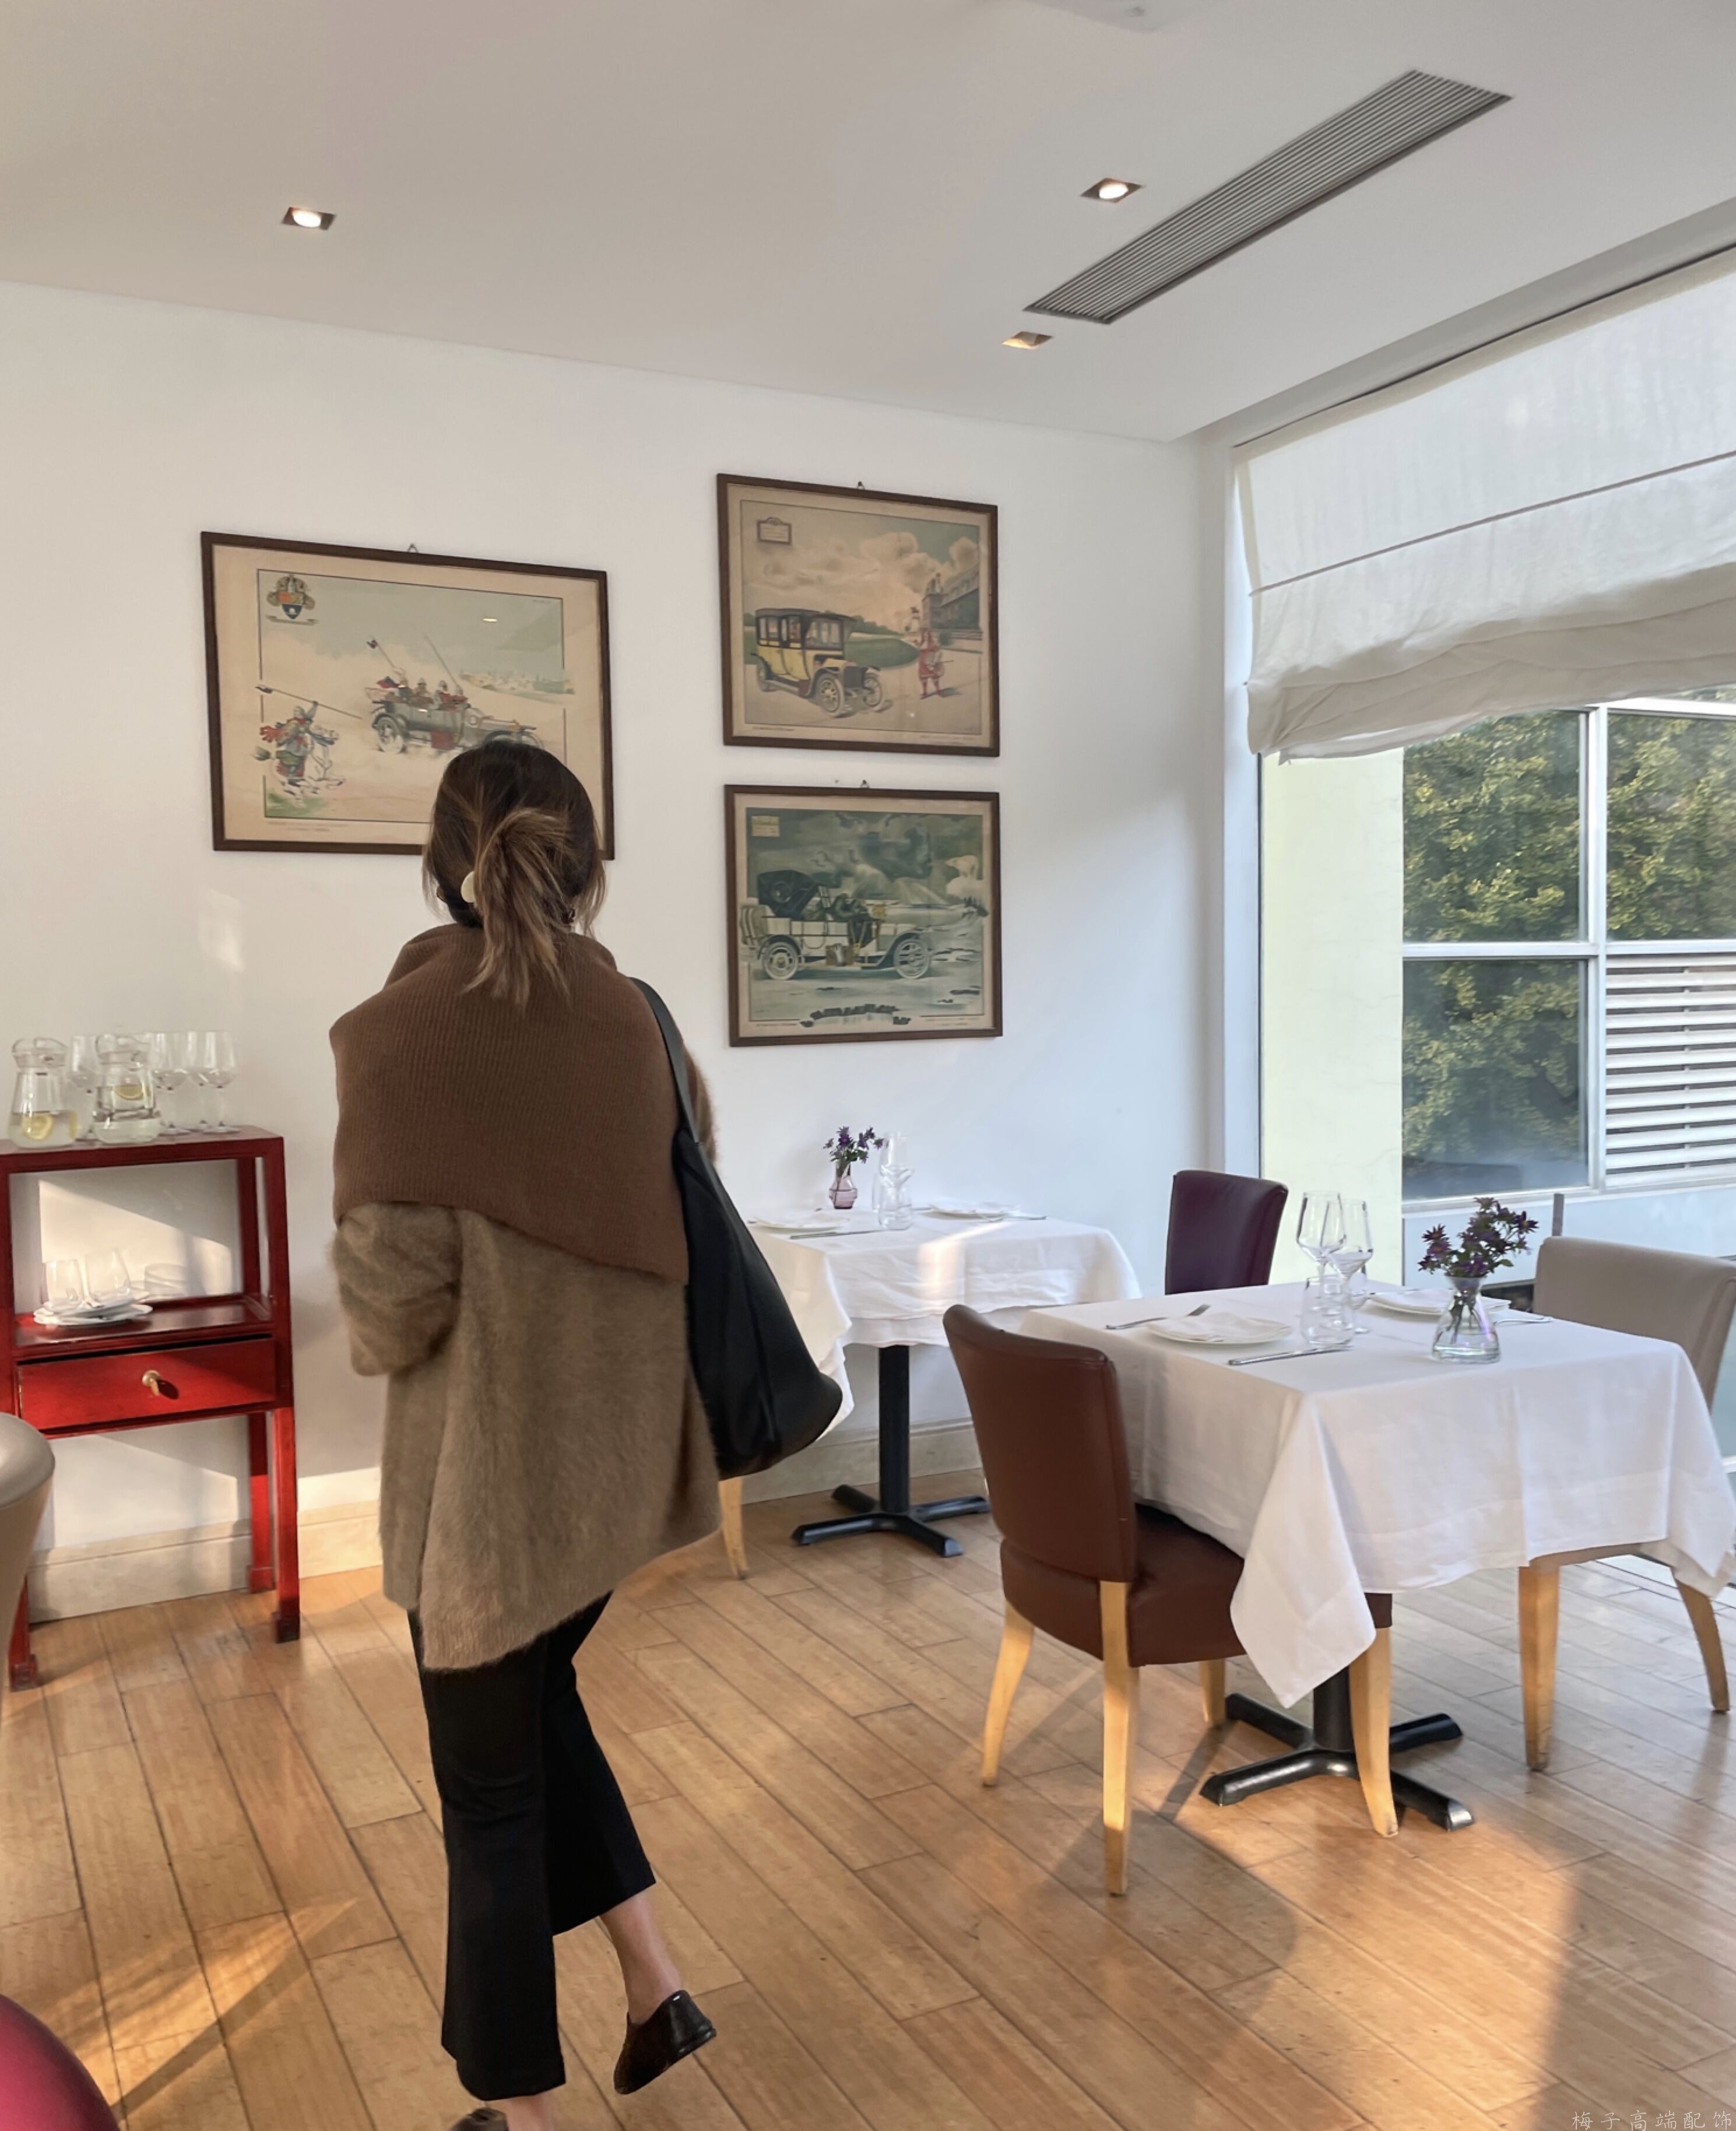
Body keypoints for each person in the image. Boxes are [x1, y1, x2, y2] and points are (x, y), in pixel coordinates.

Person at [329, 740, 721, 2131]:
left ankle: (517, 2110)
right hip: (622, 1469)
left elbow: (392, 1310)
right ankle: (655, 1983)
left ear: (439, 861)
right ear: (586, 864)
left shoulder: (398, 1036)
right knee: (538, 1710)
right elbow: (685, 1208)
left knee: (487, 1796)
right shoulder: (637, 1019)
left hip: (483, 1496)